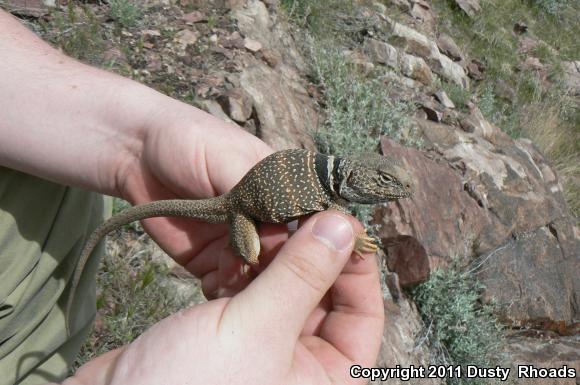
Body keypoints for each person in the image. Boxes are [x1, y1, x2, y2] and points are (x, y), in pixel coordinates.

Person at [0, 10, 384, 385]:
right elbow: (323, 222)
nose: (388, 191)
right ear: (357, 176)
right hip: (239, 211)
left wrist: (141, 137)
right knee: (250, 256)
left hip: (44, 237)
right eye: (382, 182)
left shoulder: (329, 191)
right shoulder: (329, 201)